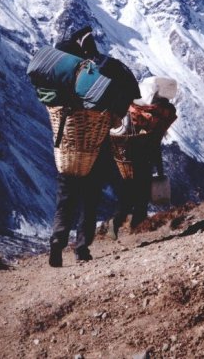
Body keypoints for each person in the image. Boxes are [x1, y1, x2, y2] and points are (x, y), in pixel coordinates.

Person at [49, 24, 140, 267]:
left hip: (68, 147)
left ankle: (57, 240)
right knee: (89, 200)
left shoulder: (60, 74)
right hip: (97, 146)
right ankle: (81, 249)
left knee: (66, 198)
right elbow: (125, 99)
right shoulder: (106, 69)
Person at [108, 95, 177, 240]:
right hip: (143, 162)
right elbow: (156, 146)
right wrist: (159, 170)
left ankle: (118, 223)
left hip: (127, 161)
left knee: (128, 196)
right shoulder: (155, 122)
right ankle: (136, 227)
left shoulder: (136, 115)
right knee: (141, 196)